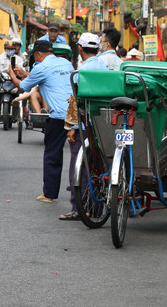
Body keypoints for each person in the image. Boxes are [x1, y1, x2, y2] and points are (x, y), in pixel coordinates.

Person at [9, 39, 74, 203]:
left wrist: (12, 75)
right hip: (75, 113)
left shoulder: (41, 67)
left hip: (58, 116)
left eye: (34, 56)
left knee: (52, 155)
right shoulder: (66, 63)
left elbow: (23, 87)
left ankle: (49, 194)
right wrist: (26, 74)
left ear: (39, 54)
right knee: (78, 154)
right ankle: (79, 193)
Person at [60, 35, 105, 219]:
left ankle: (79, 208)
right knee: (97, 166)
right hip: (102, 125)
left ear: (80, 48)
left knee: (79, 167)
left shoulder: (82, 71)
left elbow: (76, 101)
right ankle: (95, 207)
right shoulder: (104, 68)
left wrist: (72, 127)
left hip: (84, 125)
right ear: (98, 49)